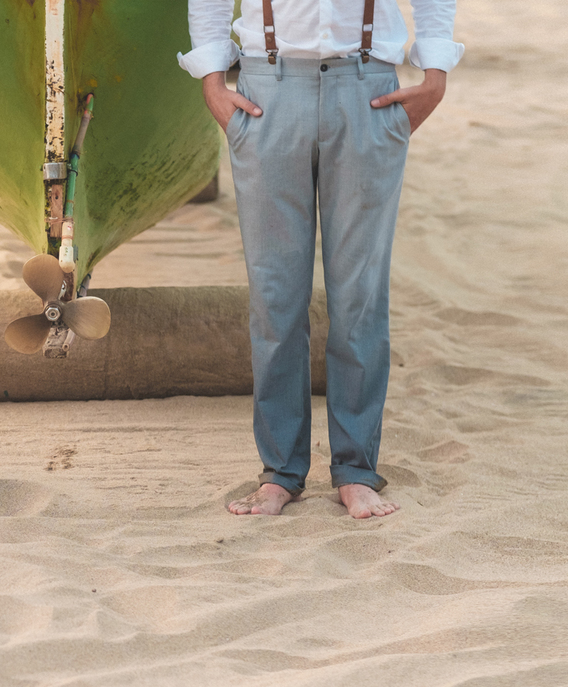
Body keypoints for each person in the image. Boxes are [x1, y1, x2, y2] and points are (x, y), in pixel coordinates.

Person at [179, 0, 463, 518]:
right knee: (274, 295)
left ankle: (356, 471)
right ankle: (280, 473)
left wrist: (436, 74)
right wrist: (212, 81)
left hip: (368, 90)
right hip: (267, 91)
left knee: (360, 295)